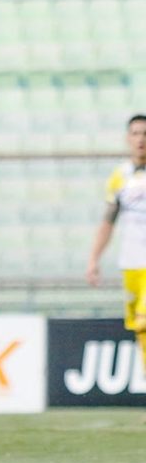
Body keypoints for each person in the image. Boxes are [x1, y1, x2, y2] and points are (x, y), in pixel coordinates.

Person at [87, 114, 146, 369]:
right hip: (131, 263)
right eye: (135, 134)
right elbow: (108, 220)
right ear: (127, 138)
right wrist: (93, 259)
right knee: (141, 331)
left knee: (145, 320)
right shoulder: (119, 177)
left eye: (145, 134)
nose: (141, 139)